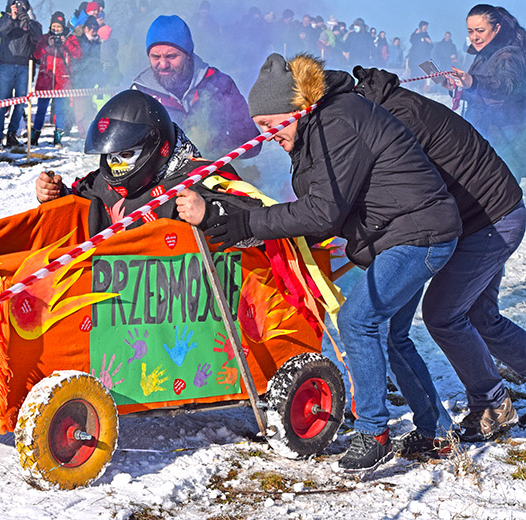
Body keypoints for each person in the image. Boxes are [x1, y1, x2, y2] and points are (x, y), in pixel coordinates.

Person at [193, 53, 462, 472]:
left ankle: (374, 432)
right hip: (405, 231)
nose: (264, 136)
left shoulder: (337, 121)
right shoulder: (318, 126)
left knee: (358, 320)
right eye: (259, 127)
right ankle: (437, 433)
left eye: (268, 124)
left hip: (420, 232)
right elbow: (322, 209)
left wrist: (253, 222)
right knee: (391, 333)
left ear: (294, 109)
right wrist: (255, 229)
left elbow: (321, 211)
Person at [354, 64, 525, 446]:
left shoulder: (399, 120)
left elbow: (402, 191)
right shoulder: (390, 107)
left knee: (444, 314)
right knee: (482, 315)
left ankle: (491, 402)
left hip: (490, 219)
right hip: (491, 213)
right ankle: (492, 397)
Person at [34, 89, 260, 237]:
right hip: (113, 303)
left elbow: (263, 227)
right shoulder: (101, 182)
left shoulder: (201, 176)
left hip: (184, 303)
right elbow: (75, 206)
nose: (116, 165)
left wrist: (210, 214)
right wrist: (54, 194)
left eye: (125, 155)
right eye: (112, 157)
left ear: (155, 145)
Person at [132, 15, 260, 160]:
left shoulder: (218, 83)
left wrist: (212, 150)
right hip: (165, 180)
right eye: (155, 57)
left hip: (213, 172)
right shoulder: (140, 94)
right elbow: (130, 150)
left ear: (188, 54)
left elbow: (252, 142)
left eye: (171, 56)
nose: (163, 65)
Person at [450, 4, 526, 178]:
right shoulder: (483, 55)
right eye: (470, 31)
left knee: (502, 195)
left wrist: (473, 82)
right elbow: (478, 94)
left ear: (497, 28)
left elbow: (506, 86)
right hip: (484, 134)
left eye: (480, 30)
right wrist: (457, 87)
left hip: (508, 139)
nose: (474, 37)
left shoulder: (510, 55)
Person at [0, 0, 42, 149]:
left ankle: (12, 134)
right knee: (1, 102)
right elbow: (0, 32)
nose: (20, 7)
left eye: (22, 4)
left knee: (20, 103)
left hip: (24, 65)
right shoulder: (4, 19)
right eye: (16, 4)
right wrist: (12, 18)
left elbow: (37, 39)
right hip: (6, 64)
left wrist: (28, 23)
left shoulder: (31, 22)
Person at [31, 11, 81, 146]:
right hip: (45, 79)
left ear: (63, 27)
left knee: (60, 110)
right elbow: (36, 55)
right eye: (54, 26)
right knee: (41, 109)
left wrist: (66, 44)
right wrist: (47, 44)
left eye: (58, 26)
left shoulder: (70, 38)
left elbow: (78, 55)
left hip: (62, 81)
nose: (56, 29)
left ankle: (58, 135)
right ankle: (35, 135)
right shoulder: (44, 38)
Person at [70, 15, 102, 138]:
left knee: (90, 107)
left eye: (95, 27)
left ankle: (90, 130)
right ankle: (83, 132)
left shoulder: (97, 42)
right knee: (80, 108)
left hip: (92, 79)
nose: (93, 30)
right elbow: (77, 60)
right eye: (90, 27)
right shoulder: (79, 41)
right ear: (85, 28)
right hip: (79, 79)